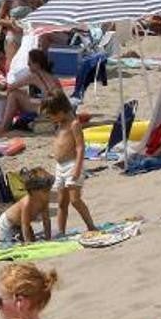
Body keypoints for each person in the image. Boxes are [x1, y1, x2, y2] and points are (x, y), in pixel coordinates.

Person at [41, 93, 96, 237]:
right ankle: (61, 231)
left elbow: (80, 147)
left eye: (51, 115)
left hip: (72, 165)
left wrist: (77, 168)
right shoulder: (59, 124)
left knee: (75, 200)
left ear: (60, 111)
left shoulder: (74, 124)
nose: (50, 119)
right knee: (61, 202)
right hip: (60, 166)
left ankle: (91, 226)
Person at [0, 50, 66, 134]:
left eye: (30, 64)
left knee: (14, 95)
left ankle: (4, 126)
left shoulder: (34, 76)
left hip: (48, 110)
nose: (28, 66)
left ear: (37, 64)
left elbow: (11, 87)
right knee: (21, 94)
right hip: (58, 109)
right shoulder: (53, 77)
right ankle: (7, 124)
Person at [0, 168, 53, 244]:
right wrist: (27, 242)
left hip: (20, 223)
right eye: (45, 191)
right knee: (0, 241)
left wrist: (48, 238)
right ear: (33, 191)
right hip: (8, 221)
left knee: (33, 239)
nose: (48, 194)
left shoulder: (44, 201)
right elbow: (25, 225)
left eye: (49, 190)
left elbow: (46, 220)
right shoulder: (27, 203)